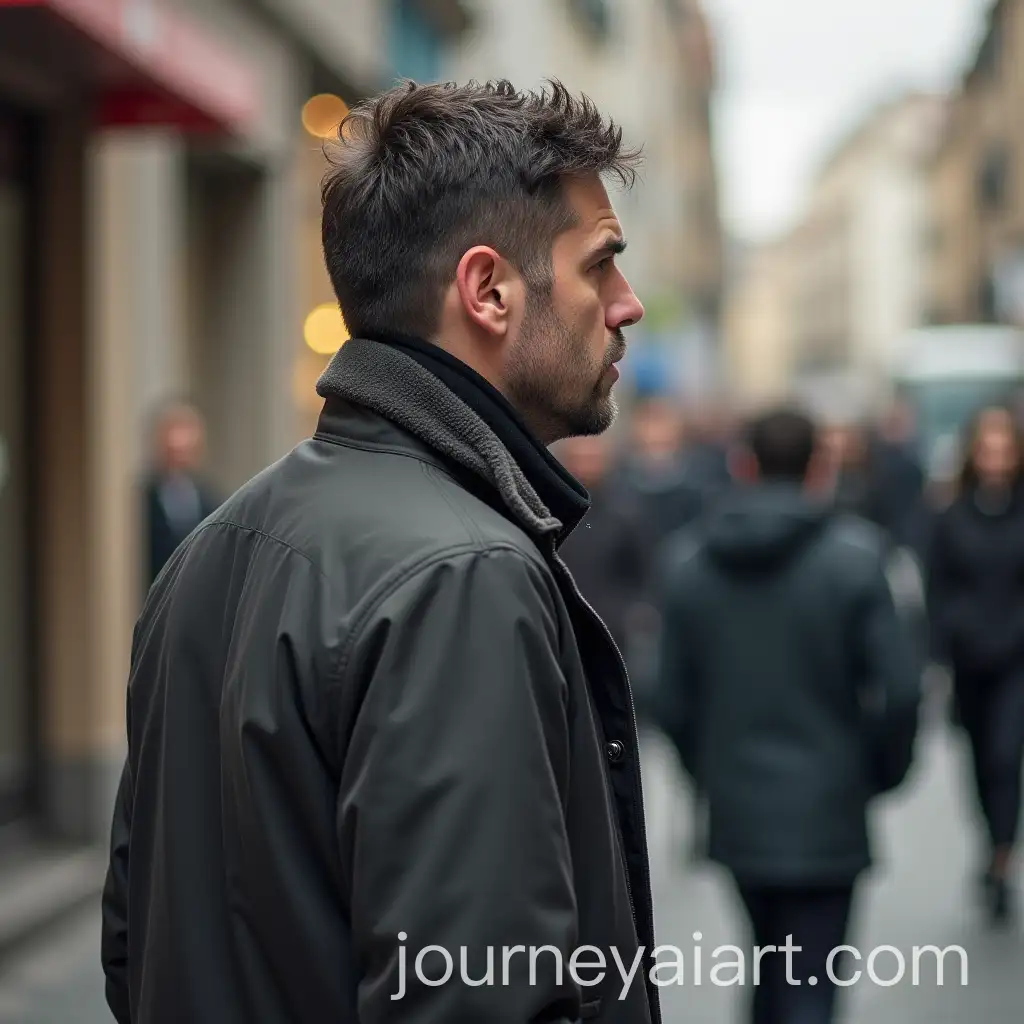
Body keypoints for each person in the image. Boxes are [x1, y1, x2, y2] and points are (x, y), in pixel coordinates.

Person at [101, 80, 661, 1024]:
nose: (627, 304)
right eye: (601, 265)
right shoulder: (466, 576)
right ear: (488, 290)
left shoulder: (210, 548)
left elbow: (135, 950)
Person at [654, 407, 921, 1024]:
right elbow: (902, 688)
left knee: (768, 965)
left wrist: (709, 770)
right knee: (811, 981)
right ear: (819, 467)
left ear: (742, 466)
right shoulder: (856, 559)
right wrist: (878, 771)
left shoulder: (691, 564)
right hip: (829, 801)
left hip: (738, 803)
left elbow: (669, 695)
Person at [927, 404, 1024, 926]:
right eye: (987, 450)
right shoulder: (952, 513)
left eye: (1005, 450)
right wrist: (945, 639)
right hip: (970, 661)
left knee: (1007, 758)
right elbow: (936, 582)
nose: (996, 460)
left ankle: (1003, 858)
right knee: (983, 762)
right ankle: (991, 841)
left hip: (1017, 661)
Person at [142, 400, 219, 588]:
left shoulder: (212, 502)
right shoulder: (141, 500)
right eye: (173, 431)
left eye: (187, 431)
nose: (179, 442)